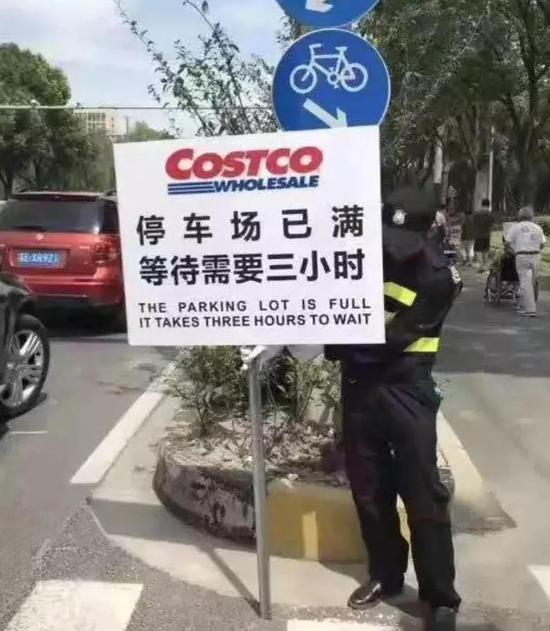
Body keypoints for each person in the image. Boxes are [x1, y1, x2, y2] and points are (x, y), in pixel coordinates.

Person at [326, 187, 462, 631]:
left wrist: (335, 344)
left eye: (403, 239)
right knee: (369, 489)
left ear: (427, 233)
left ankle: (440, 597)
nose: (392, 246)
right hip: (360, 388)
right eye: (388, 234)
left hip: (407, 391)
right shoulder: (363, 257)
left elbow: (391, 339)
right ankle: (385, 575)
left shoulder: (439, 277)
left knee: (423, 494)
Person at [506, 206, 546, 317]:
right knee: (531, 282)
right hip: (536, 255)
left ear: (520, 216)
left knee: (525, 283)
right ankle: (523, 304)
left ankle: (530, 310)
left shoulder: (515, 227)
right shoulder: (537, 228)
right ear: (531, 216)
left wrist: (513, 252)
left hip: (522, 255)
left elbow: (507, 243)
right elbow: (543, 243)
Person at [473, 198, 494, 272]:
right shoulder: (490, 214)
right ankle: (485, 265)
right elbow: (492, 224)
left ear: (481, 204)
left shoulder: (476, 214)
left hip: (478, 234)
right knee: (485, 250)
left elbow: (474, 223)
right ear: (489, 205)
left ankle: (481, 265)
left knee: (478, 250)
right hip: (487, 234)